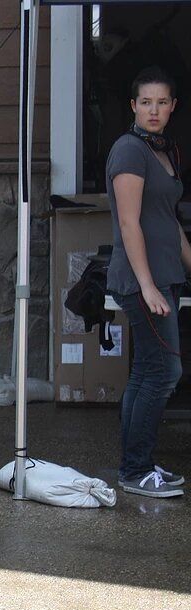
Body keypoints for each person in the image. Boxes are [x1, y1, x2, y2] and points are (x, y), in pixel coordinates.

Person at [107, 65, 191, 499]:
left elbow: (168, 221)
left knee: (145, 373)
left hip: (164, 276)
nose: (153, 110)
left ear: (172, 106)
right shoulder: (129, 150)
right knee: (164, 371)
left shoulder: (164, 152)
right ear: (133, 106)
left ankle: (136, 464)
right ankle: (135, 470)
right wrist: (147, 285)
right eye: (145, 102)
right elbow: (128, 221)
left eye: (161, 102)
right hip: (145, 281)